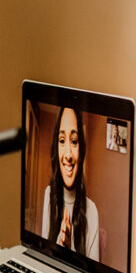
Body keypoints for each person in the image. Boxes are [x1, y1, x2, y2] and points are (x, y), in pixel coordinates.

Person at [41, 106, 100, 261]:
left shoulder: (92, 211)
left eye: (74, 141)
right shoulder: (48, 195)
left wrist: (69, 253)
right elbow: (42, 257)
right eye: (62, 141)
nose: (68, 154)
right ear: (56, 148)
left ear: (81, 152)